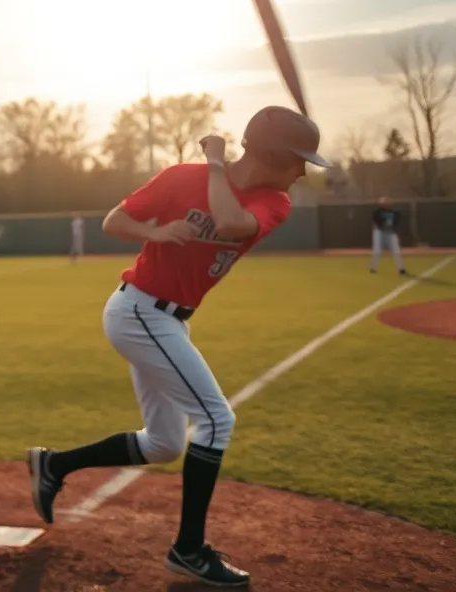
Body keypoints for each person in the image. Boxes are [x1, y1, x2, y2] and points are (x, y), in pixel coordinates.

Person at [26, 105, 331, 588]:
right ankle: (188, 550)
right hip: (139, 311)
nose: (302, 171)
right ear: (272, 153)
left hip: (167, 321)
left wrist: (214, 162)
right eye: (298, 160)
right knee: (216, 420)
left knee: (165, 443)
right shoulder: (179, 178)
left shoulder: (275, 201)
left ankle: (54, 464)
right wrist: (154, 231)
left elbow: (230, 221)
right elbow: (114, 220)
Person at [370, 196, 407, 275]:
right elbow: (376, 220)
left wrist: (393, 227)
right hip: (380, 231)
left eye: (386, 202)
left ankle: (401, 269)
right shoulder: (377, 212)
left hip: (390, 232)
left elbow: (397, 220)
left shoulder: (394, 212)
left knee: (396, 251)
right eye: (383, 203)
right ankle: (373, 268)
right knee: (377, 251)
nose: (385, 204)